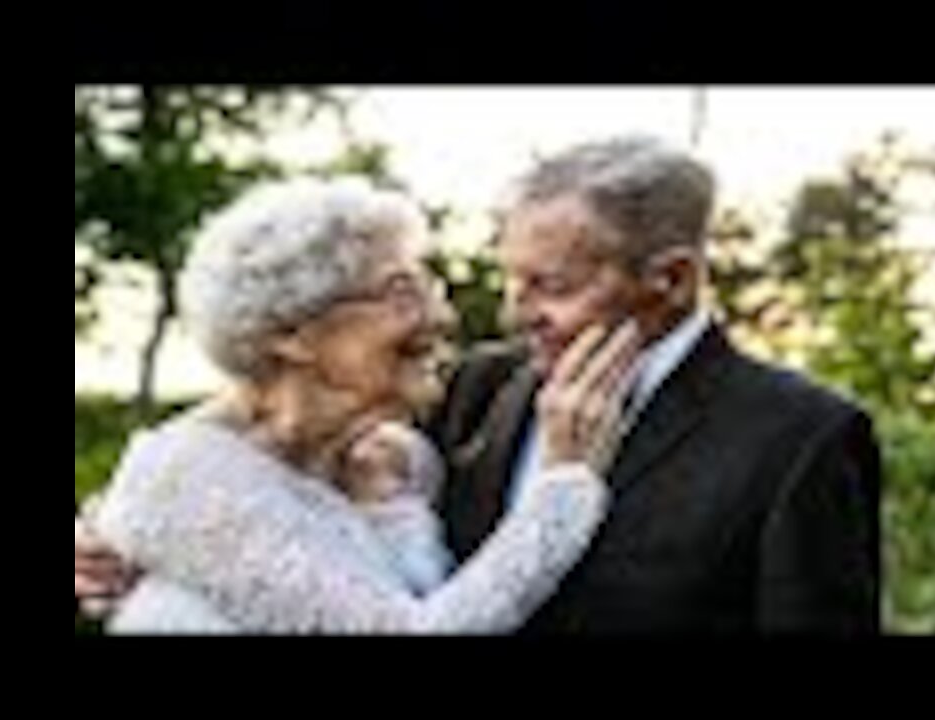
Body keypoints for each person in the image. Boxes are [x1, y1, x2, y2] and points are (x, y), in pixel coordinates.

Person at [78, 136, 882, 634]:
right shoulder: (474, 390)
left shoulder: (799, 437)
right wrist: (123, 530)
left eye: (552, 286)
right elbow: (259, 475)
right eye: (515, 280)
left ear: (669, 280)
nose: (513, 312)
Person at [79, 176, 641, 634]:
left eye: (430, 286)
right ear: (291, 335)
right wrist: (564, 485)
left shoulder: (400, 457)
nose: (440, 318)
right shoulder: (190, 477)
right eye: (401, 292)